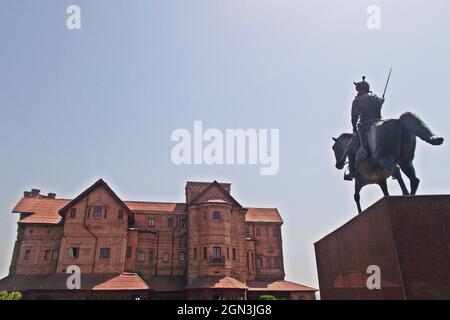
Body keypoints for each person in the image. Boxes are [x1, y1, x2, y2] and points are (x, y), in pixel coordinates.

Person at [344, 76, 384, 181]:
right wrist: (382, 101)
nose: (357, 92)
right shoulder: (376, 98)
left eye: (358, 89)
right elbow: (379, 104)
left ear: (361, 89)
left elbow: (354, 116)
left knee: (349, 148)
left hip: (365, 126)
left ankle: (351, 172)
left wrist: (353, 127)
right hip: (379, 124)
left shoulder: (358, 100)